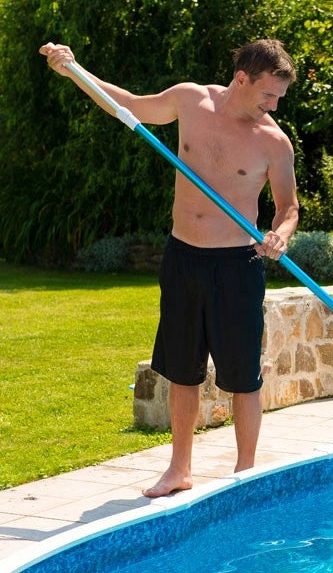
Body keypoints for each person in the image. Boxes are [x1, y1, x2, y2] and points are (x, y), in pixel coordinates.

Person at [40, 40, 300, 498]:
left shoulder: (273, 143)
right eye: (268, 95)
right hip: (183, 258)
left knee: (242, 375)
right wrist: (75, 71)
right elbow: (128, 105)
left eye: (278, 98)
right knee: (182, 370)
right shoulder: (190, 100)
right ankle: (179, 469)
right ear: (241, 78)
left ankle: (245, 474)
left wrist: (280, 234)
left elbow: (288, 207)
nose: (274, 106)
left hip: (237, 265)